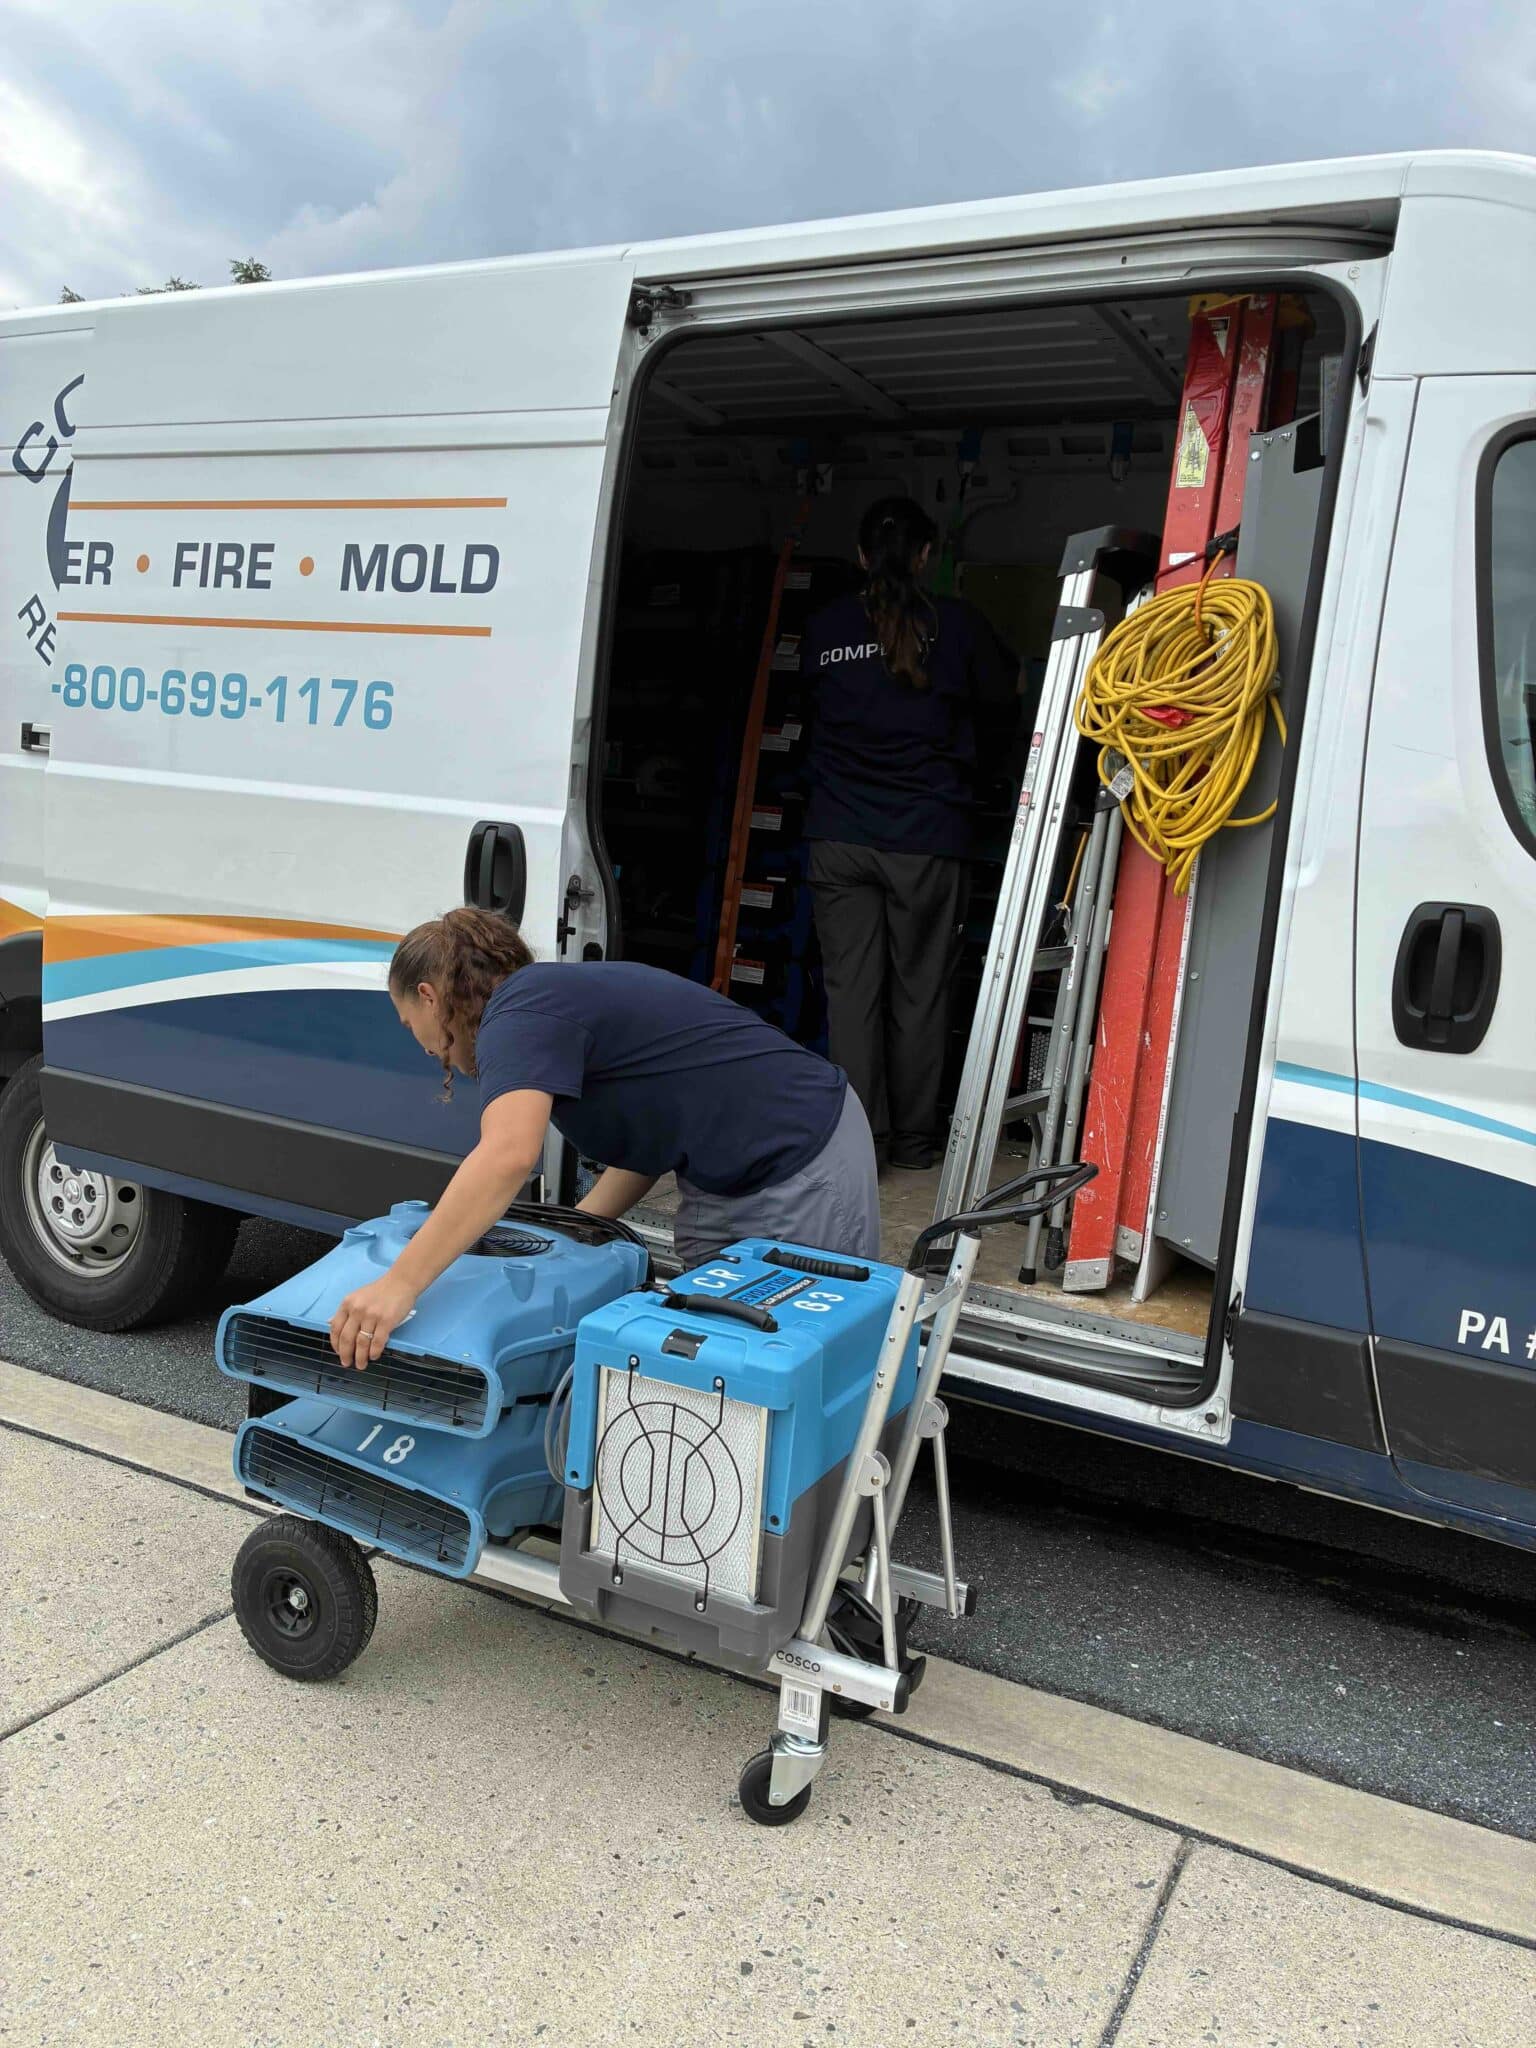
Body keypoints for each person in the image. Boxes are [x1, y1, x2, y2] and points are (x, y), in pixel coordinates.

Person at [327, 908, 879, 1368]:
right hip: (725, 1172)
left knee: (776, 1362)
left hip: (798, 1157)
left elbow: (507, 1155)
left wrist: (400, 1284)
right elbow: (647, 1141)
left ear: (428, 997)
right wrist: (575, 1236)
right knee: (707, 1363)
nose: (423, 1046)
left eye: (409, 1025)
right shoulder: (544, 1005)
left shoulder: (518, 1014)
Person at [801, 495, 1021, 1172]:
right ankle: (918, 1141)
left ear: (862, 556)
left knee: (852, 993)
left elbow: (809, 711)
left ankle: (860, 1144)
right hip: (927, 836)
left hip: (839, 836)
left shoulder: (825, 627)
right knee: (921, 992)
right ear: (927, 557)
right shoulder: (957, 626)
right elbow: (1007, 702)